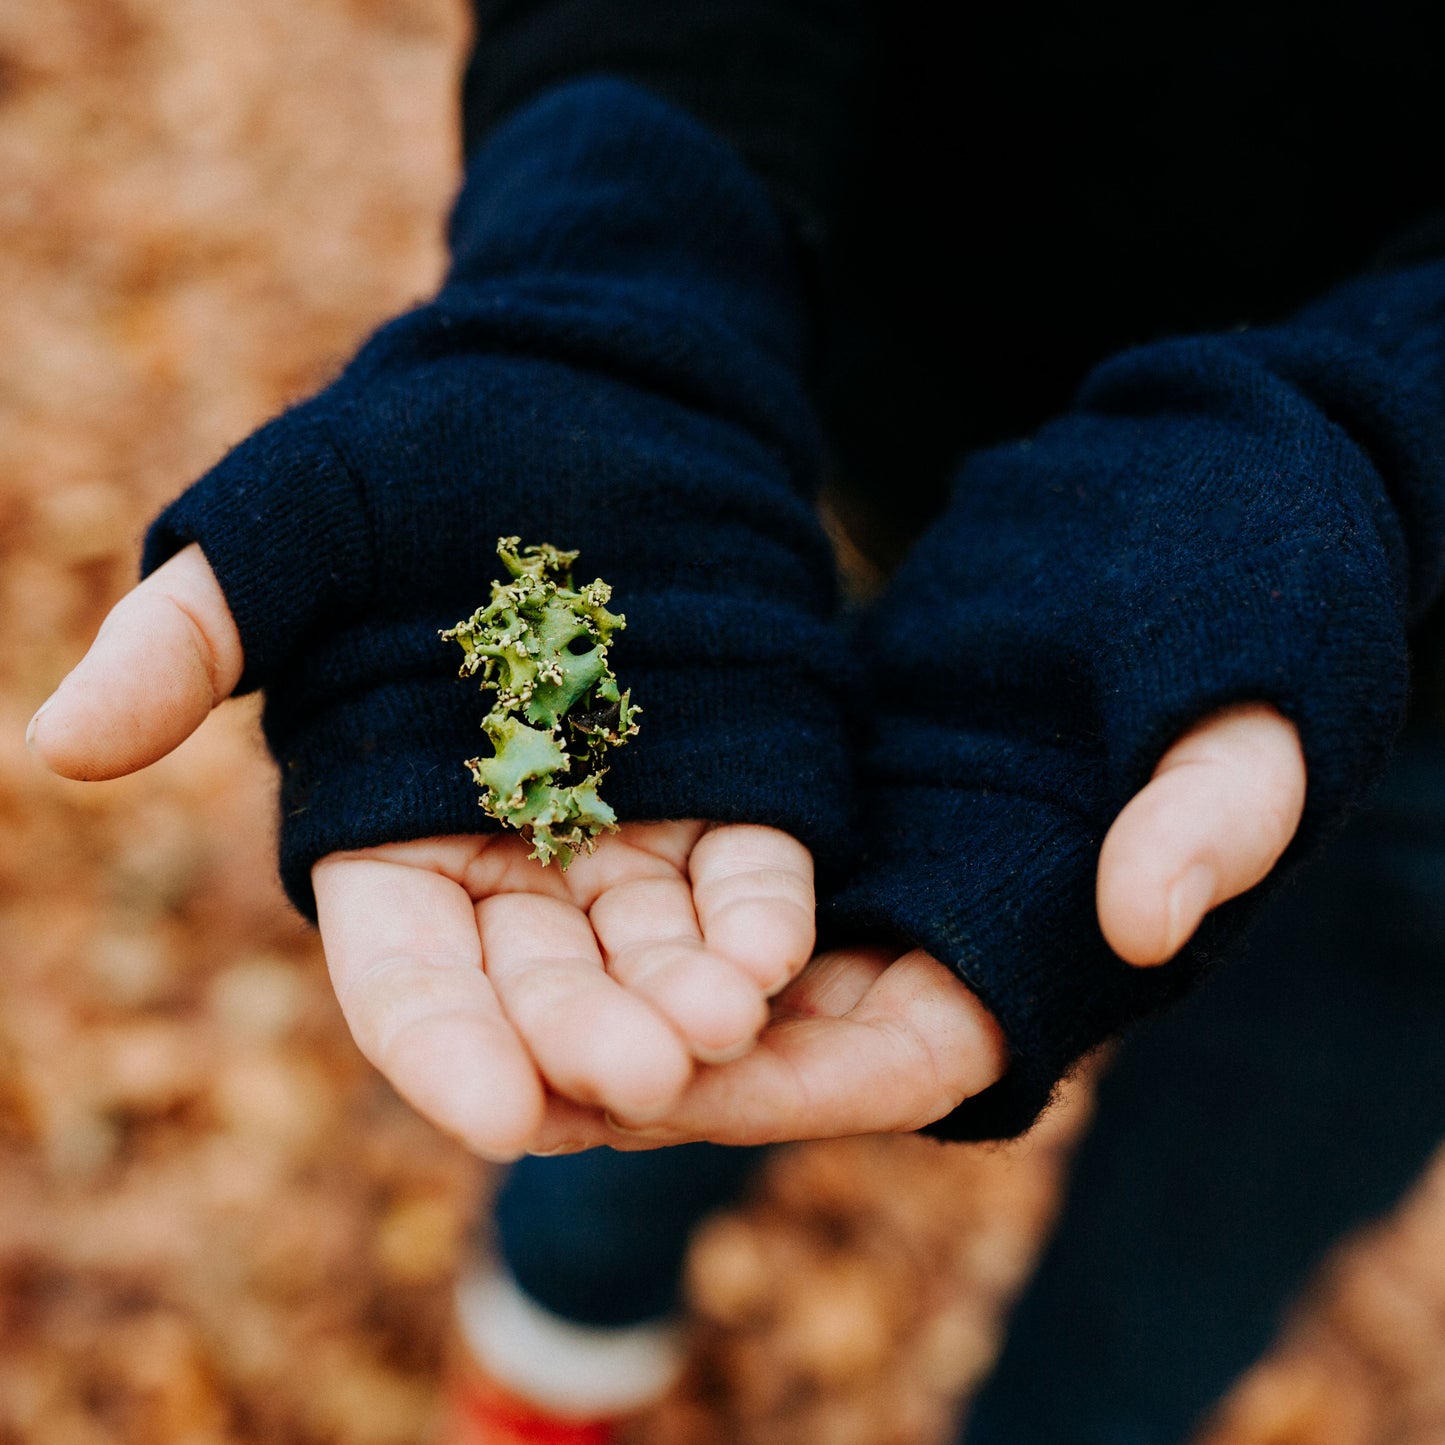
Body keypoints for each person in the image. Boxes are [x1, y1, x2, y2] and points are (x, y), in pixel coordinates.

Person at [26, 2, 1445, 1440]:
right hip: (794, 463)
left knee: (1177, 1275)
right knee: (668, 1044)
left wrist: (1389, 433)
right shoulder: (615, 630)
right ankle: (557, 1352)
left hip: (1408, 671)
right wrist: (611, 278)